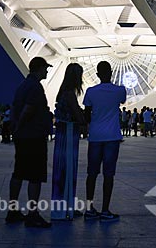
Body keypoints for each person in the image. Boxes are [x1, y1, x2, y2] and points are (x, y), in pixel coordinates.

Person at [6, 57, 53, 228]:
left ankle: (12, 210)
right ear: (39, 68)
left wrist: (15, 127)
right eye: (45, 68)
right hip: (34, 136)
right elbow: (29, 108)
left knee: (19, 172)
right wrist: (19, 125)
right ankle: (32, 214)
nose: (47, 71)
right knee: (35, 176)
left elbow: (14, 107)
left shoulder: (22, 86)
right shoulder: (35, 87)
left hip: (22, 137)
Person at [83, 61, 126, 222]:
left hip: (95, 136)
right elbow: (121, 102)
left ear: (97, 74)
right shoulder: (120, 91)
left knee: (92, 174)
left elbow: (87, 114)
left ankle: (89, 208)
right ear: (112, 72)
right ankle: (105, 209)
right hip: (112, 136)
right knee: (109, 174)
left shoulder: (91, 92)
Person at [51, 63, 85, 221]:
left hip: (61, 134)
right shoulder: (70, 94)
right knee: (68, 169)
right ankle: (67, 207)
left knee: (61, 170)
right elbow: (78, 115)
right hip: (69, 134)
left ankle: (61, 207)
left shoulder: (62, 93)